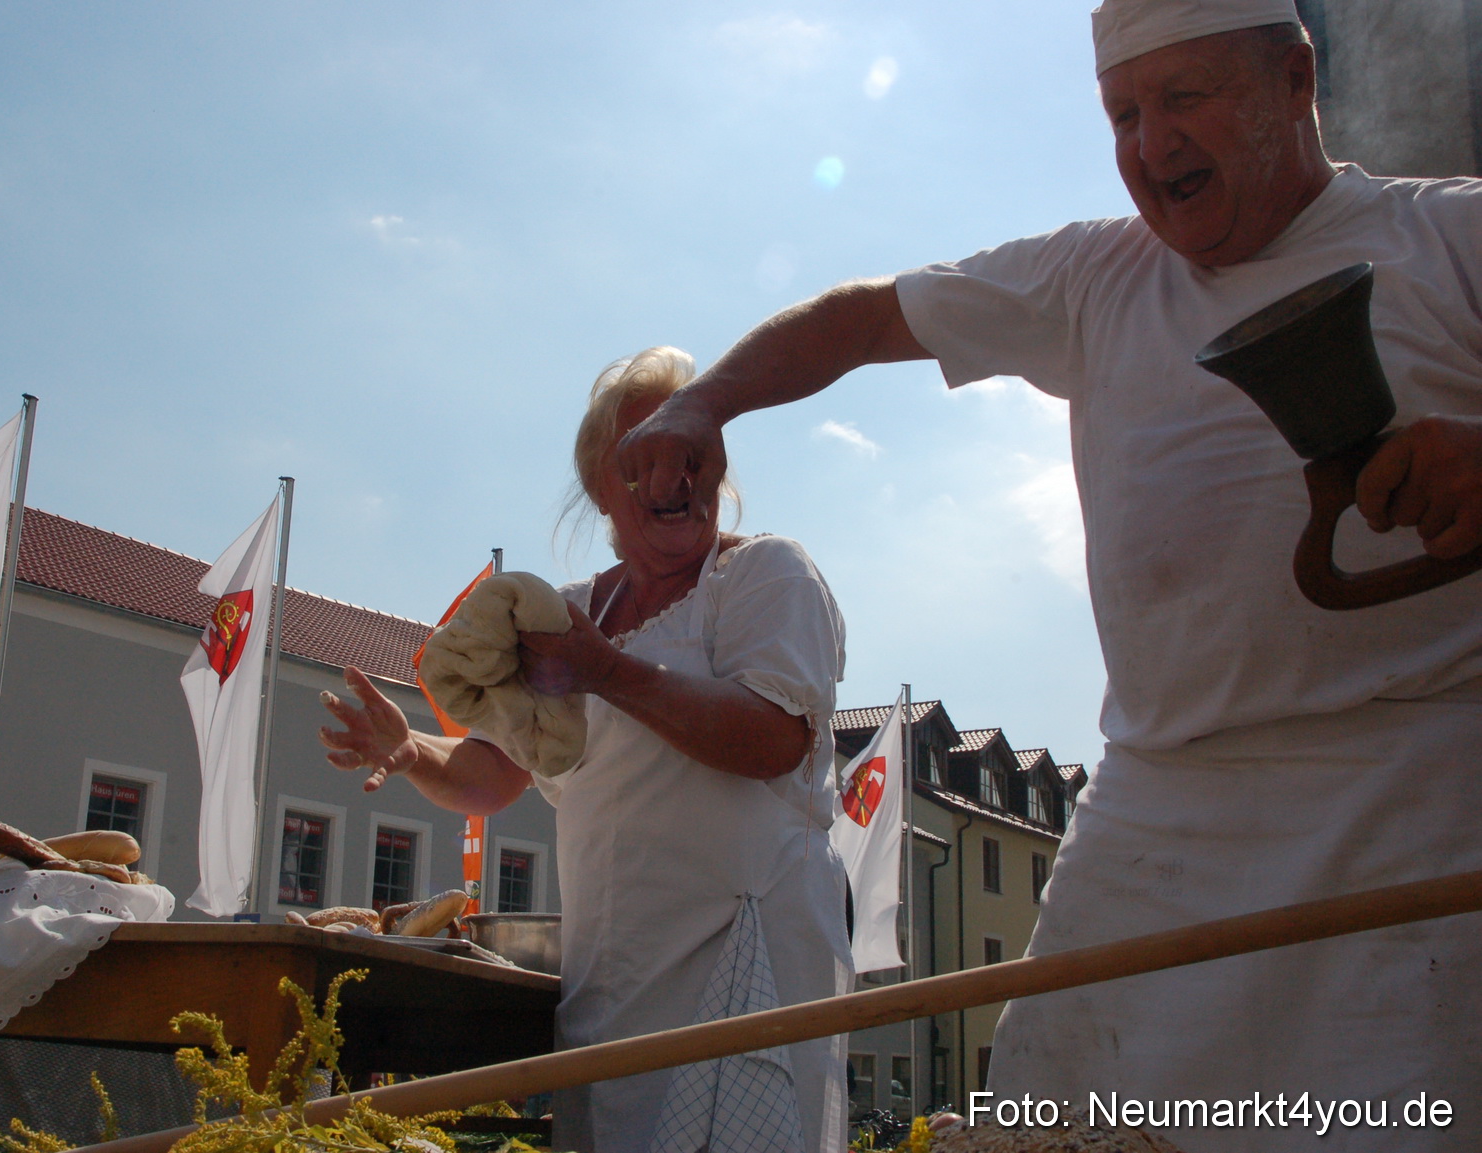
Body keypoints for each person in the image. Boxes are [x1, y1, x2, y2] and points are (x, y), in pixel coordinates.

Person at [616, 2, 1482, 1150]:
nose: (1150, 143)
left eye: (1185, 98)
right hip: (1160, 813)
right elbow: (865, 317)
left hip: (1421, 792)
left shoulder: (1452, 241)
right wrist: (701, 400)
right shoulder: (1091, 277)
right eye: (1124, 112)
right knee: (1054, 1130)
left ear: (1293, 79)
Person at [319, 346, 854, 1153]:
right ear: (601, 487)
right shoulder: (558, 615)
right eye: (644, 457)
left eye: (694, 451)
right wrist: (412, 747)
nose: (673, 474)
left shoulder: (766, 576)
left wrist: (604, 669)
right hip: (613, 987)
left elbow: (771, 737)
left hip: (752, 976)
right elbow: (494, 776)